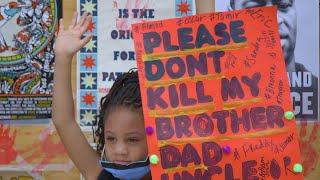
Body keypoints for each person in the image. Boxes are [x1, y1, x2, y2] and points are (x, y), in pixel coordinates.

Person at [52, 12, 151, 180]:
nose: (120, 150)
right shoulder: (98, 173)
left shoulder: (179, 173)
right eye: (111, 138)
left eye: (132, 140)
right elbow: (64, 121)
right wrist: (62, 57)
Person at [228, 0, 318, 119]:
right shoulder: (213, 98)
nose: (274, 20)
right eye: (255, 9)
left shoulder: (317, 93)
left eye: (284, 6)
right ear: (230, 17)